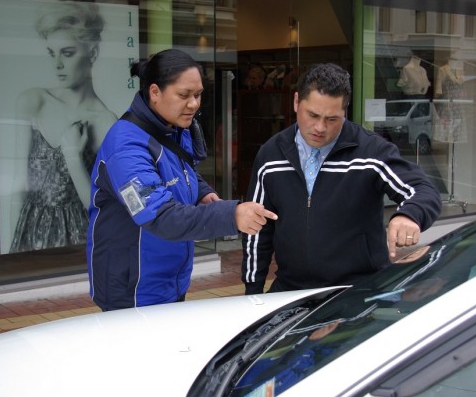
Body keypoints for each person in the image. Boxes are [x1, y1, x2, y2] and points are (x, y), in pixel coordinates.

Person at [87, 48, 277, 311]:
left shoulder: (174, 126)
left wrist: (202, 192)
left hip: (168, 279)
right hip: (132, 289)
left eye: (198, 95)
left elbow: (182, 171)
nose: (194, 104)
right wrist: (231, 215)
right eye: (184, 95)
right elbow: (160, 216)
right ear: (155, 92)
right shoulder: (125, 147)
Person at [241, 63, 441, 295]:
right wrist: (253, 291)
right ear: (296, 102)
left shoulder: (371, 152)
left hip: (358, 292)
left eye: (332, 119)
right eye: (312, 115)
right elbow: (256, 228)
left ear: (345, 112)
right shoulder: (271, 155)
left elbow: (422, 189)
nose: (320, 127)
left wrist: (409, 214)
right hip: (290, 291)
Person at [9, 1, 117, 253]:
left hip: (79, 235)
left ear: (91, 53)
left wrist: (72, 156)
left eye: (67, 53)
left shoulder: (105, 121)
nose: (57, 64)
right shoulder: (33, 101)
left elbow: (99, 203)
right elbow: (18, 185)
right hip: (30, 231)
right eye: (52, 53)